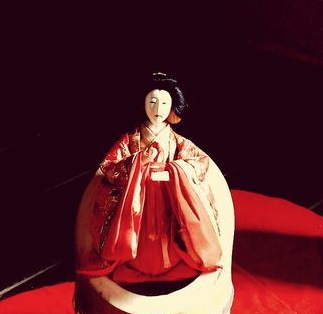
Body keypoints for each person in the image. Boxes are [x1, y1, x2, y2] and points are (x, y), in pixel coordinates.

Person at [76, 73, 223, 283]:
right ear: (143, 103)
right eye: (152, 102)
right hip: (137, 204)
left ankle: (170, 262)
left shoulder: (177, 141)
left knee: (167, 238)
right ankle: (132, 262)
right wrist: (136, 165)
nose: (158, 109)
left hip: (168, 199)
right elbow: (110, 167)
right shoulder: (130, 140)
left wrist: (176, 171)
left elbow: (199, 162)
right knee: (139, 239)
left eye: (164, 103)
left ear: (172, 106)